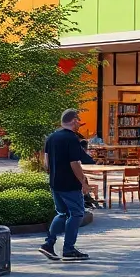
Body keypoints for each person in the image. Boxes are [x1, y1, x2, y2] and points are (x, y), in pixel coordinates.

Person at [40, 109, 93, 262]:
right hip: (70, 184)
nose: (79, 125)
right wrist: (83, 182)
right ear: (73, 120)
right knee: (76, 213)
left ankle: (48, 244)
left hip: (55, 182)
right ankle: (68, 249)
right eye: (78, 121)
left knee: (62, 213)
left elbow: (46, 163)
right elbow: (75, 163)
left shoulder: (51, 137)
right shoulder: (72, 139)